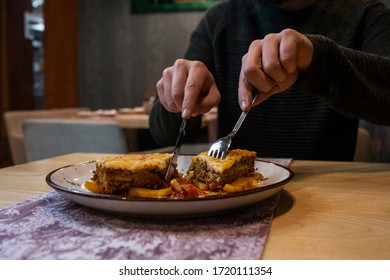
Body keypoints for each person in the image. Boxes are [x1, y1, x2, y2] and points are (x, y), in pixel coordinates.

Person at [149, 0, 390, 161]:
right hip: (237, 195)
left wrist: (316, 58)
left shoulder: (365, 15)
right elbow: (163, 135)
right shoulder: (220, 21)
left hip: (329, 199)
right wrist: (177, 99)